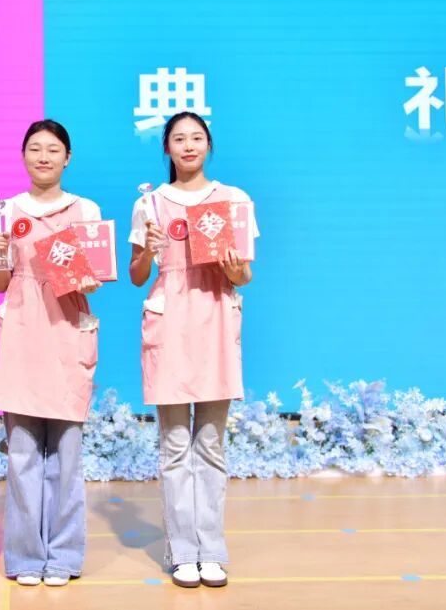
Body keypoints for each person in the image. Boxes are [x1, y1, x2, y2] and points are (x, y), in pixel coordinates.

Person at [128, 112, 259, 588]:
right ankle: (183, 551)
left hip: (215, 319)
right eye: (179, 139)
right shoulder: (149, 203)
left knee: (210, 442)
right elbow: (137, 275)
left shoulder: (234, 200)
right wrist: (147, 249)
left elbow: (245, 275)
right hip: (169, 321)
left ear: (209, 145)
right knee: (174, 444)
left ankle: (212, 550)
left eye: (196, 138)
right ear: (166, 147)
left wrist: (233, 266)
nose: (188, 146)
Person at [0, 119, 103, 587]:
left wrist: (84, 275)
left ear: (67, 158)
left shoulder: (85, 209)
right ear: (23, 156)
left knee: (67, 455)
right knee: (23, 454)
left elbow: (95, 279)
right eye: (35, 148)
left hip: (67, 329)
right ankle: (25, 556)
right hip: (22, 332)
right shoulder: (5, 211)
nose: (44, 157)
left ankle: (65, 555)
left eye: (53, 149)